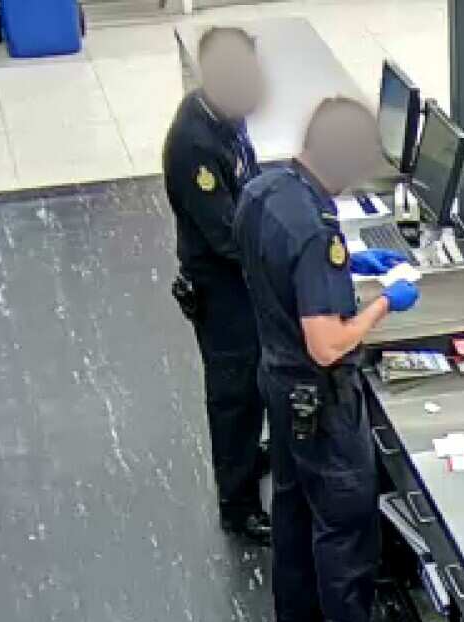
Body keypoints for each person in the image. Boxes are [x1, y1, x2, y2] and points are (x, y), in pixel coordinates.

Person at [234, 96, 422, 622]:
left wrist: (351, 264)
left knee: (293, 504)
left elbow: (277, 269)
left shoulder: (265, 190)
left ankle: (298, 621)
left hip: (277, 380)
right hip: (320, 395)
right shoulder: (317, 232)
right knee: (345, 523)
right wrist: (386, 302)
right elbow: (328, 344)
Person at [163, 26, 270, 543]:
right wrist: (283, 254)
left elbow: (249, 180)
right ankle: (239, 504)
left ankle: (250, 458)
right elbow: (227, 236)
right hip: (221, 285)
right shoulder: (194, 143)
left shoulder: (229, 116)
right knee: (233, 392)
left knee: (252, 386)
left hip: (241, 277)